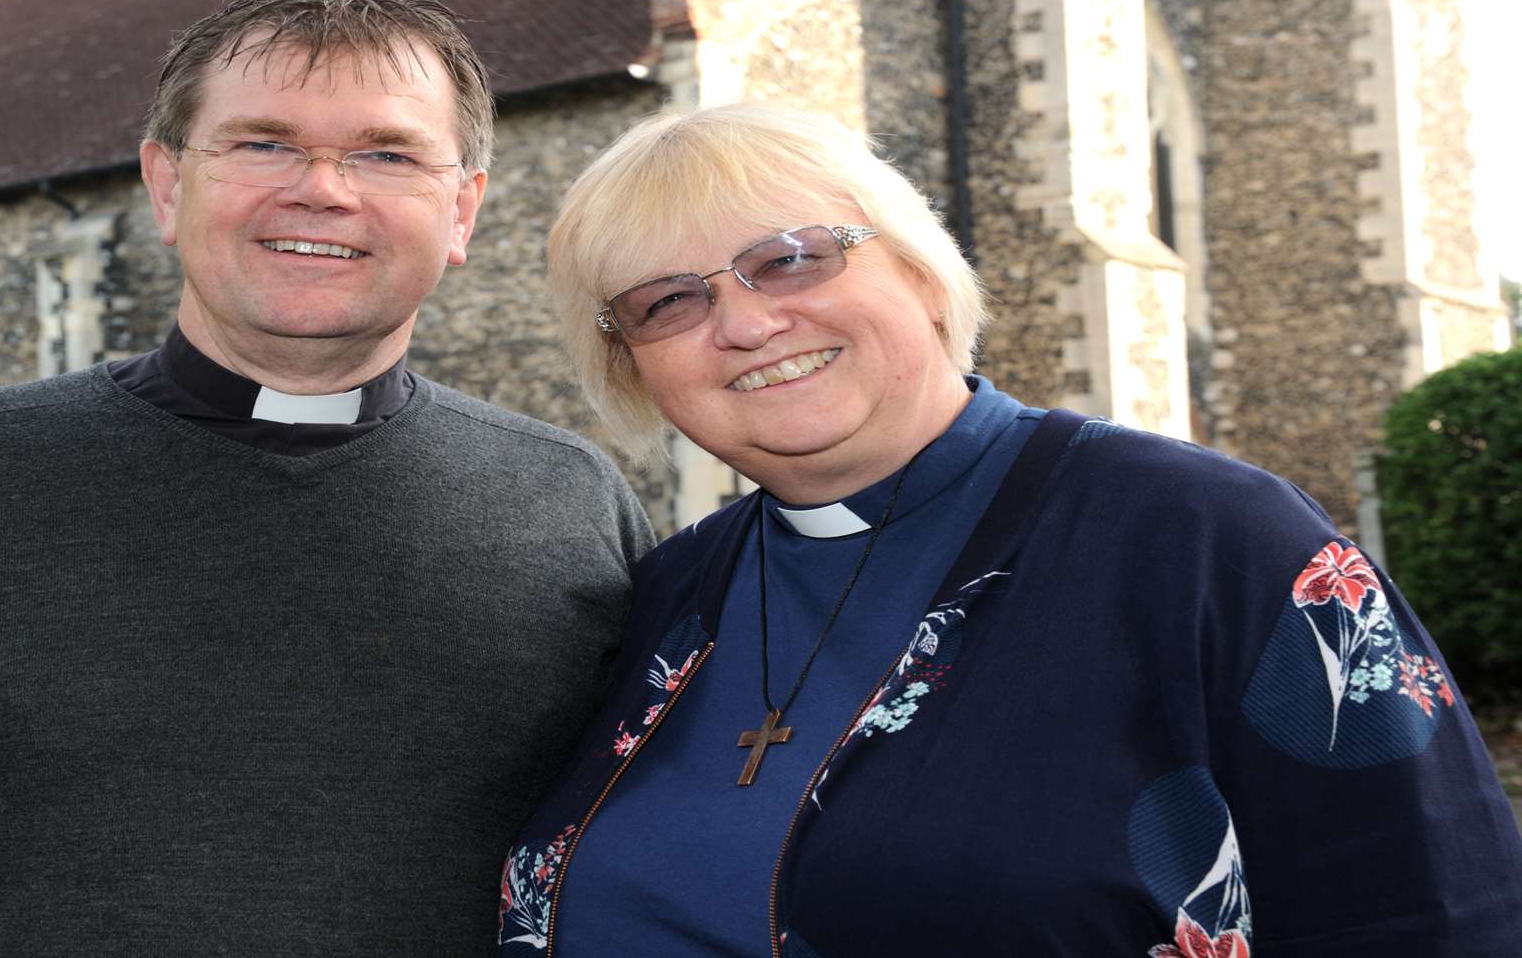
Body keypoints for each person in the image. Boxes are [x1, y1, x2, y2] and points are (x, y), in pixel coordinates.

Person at [0, 0, 653, 957]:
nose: (323, 191)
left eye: (388, 155)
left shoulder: (569, 504)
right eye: (263, 144)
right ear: (167, 185)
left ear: (464, 210)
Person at [499, 103, 1522, 956]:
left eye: (794, 259)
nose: (747, 322)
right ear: (631, 369)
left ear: (919, 269)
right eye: (668, 302)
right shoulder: (672, 592)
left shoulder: (1208, 541)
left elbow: (1435, 915)